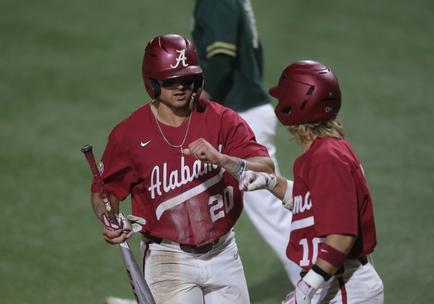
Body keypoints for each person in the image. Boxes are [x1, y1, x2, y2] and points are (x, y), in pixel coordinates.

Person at [90, 34, 275, 304]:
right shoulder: (129, 134)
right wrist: (110, 220)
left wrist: (224, 159)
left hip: (224, 253)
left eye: (187, 80)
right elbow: (105, 193)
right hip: (168, 259)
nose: (180, 88)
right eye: (169, 81)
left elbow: (266, 168)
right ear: (152, 82)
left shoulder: (222, 120)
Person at [239, 60, 384, 304]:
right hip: (337, 282)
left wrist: (307, 286)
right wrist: (271, 183)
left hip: (346, 288)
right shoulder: (326, 152)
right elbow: (317, 204)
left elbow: (341, 234)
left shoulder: (326, 158)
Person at [191, 0, 301, 284]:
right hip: (242, 112)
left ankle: (319, 284)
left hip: (237, 117)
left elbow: (219, 59)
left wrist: (196, 100)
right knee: (189, 202)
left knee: (273, 211)